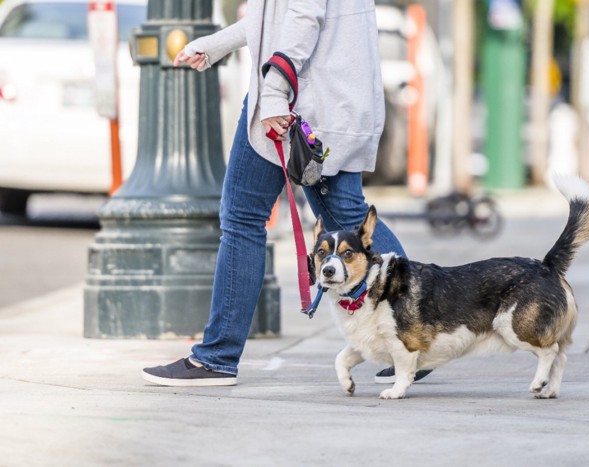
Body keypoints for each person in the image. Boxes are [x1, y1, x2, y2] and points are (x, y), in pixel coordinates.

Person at [141, 0, 430, 386]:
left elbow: (303, 15)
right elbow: (274, 16)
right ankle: (415, 337)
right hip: (332, 98)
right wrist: (216, 44)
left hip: (296, 100)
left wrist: (274, 92)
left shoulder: (281, 89)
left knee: (243, 216)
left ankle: (217, 357)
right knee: (348, 215)